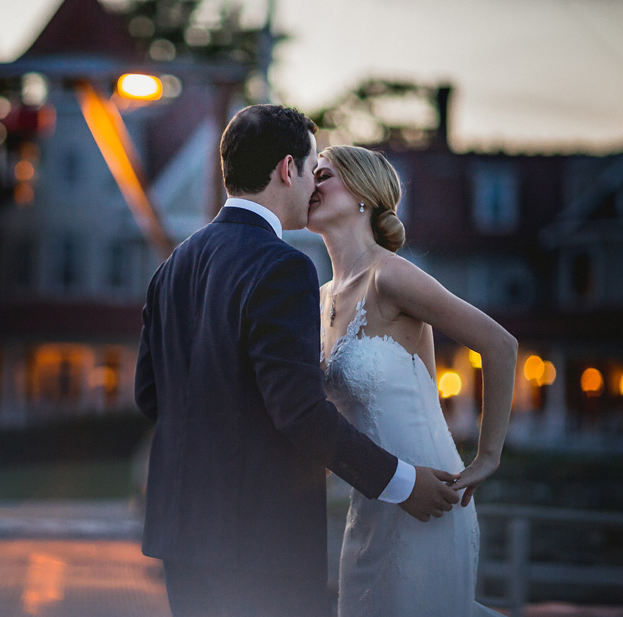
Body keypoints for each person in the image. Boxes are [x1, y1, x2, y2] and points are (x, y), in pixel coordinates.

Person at [134, 104, 461, 617]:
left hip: (181, 535)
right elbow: (300, 413)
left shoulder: (174, 264)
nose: (313, 184)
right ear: (288, 169)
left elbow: (151, 396)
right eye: (312, 169)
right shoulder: (282, 267)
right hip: (261, 543)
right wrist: (403, 483)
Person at [308, 144, 518, 616]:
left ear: (363, 193)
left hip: (433, 498)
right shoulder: (321, 298)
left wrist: (487, 457)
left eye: (324, 175)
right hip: (374, 502)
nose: (311, 184)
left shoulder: (391, 276)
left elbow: (500, 346)